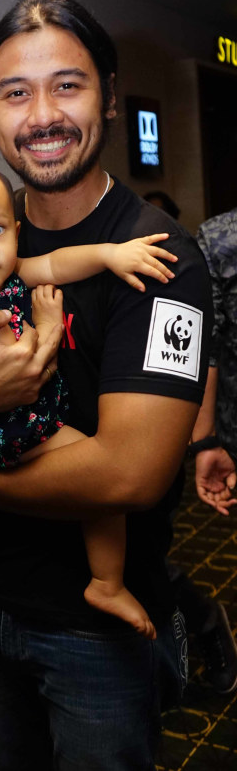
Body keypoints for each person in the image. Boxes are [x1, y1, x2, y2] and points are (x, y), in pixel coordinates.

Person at [0, 0, 213, 770]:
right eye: (15, 92)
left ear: (106, 95)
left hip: (95, 632)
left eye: (66, 84)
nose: (41, 113)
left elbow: (131, 474)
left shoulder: (161, 254)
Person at [0, 157, 177, 639]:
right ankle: (106, 582)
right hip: (14, 430)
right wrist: (50, 325)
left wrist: (111, 255)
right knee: (101, 487)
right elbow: (26, 366)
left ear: (13, 229)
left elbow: (56, 264)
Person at [187, 208, 237, 693]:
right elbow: (210, 347)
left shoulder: (219, 238)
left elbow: (211, 348)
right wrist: (206, 440)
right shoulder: (221, 240)